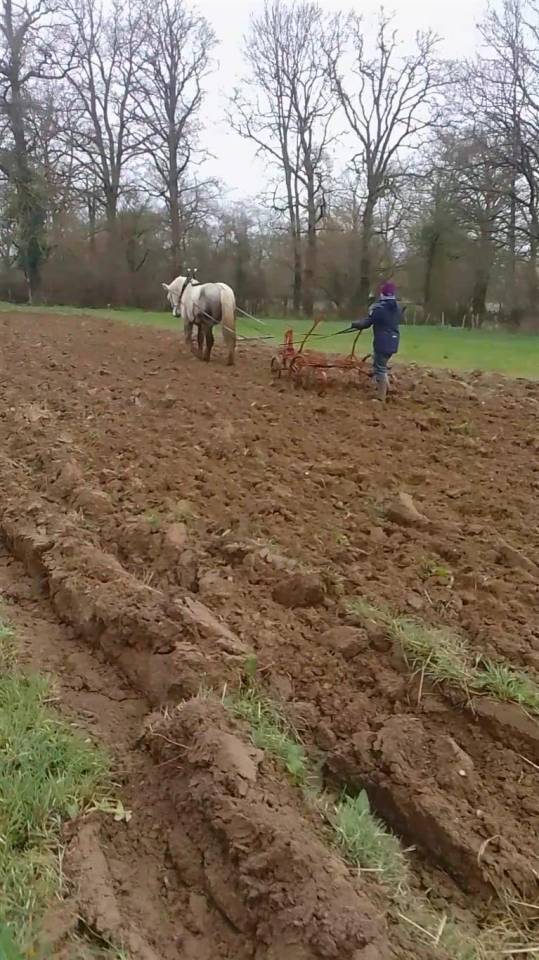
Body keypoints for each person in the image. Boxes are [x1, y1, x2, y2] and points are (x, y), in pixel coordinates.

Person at [352, 281, 402, 401]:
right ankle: (387, 389)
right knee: (381, 365)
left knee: (379, 368)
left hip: (382, 343)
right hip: (393, 342)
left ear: (382, 294)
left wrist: (354, 324)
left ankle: (381, 398)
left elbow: (367, 323)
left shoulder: (379, 309)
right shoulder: (397, 308)